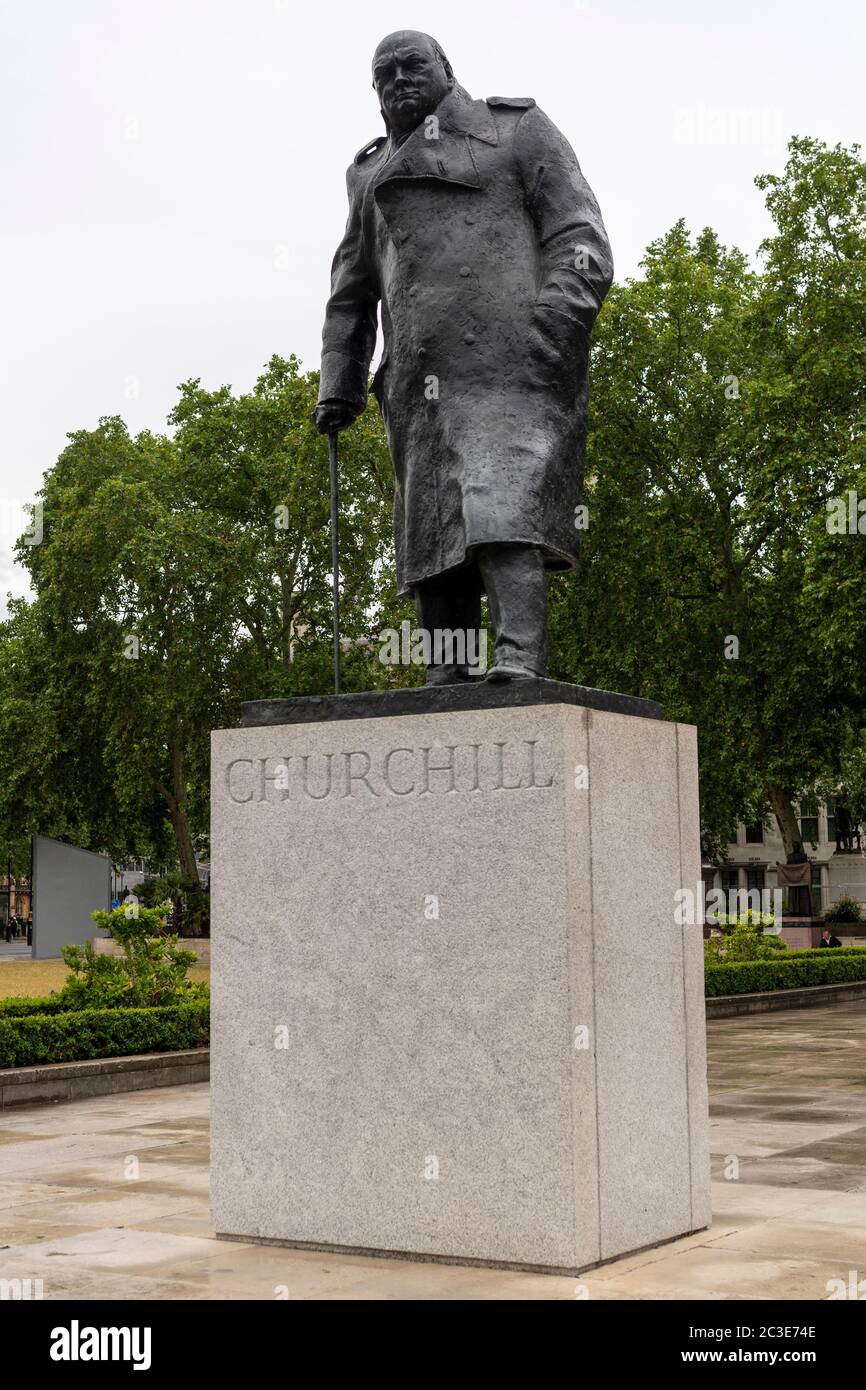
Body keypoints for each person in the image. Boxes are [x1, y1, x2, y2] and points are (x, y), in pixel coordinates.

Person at [314, 30, 613, 683]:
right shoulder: (368, 178)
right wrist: (340, 377)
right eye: (383, 74)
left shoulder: (517, 132)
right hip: (418, 383)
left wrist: (551, 334)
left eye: (411, 65)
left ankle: (518, 655)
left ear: (447, 69)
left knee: (499, 506)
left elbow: (582, 241)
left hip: (512, 367)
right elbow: (351, 292)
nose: (398, 80)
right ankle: (447, 674)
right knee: (433, 532)